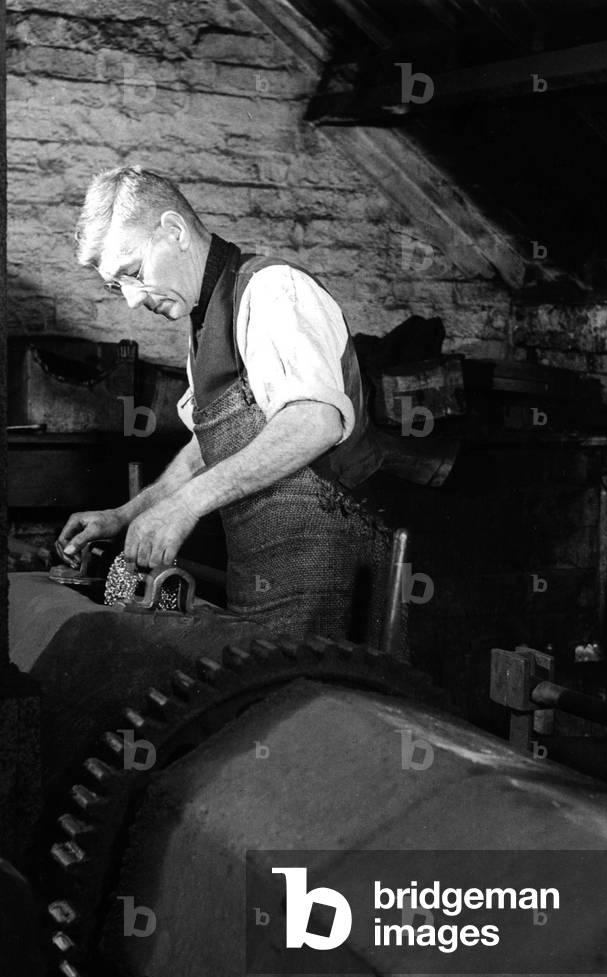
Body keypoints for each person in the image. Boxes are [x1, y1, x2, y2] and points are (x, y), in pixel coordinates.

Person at [57, 166, 392, 644]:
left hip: (331, 565)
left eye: (133, 274)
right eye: (116, 287)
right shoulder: (203, 323)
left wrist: (186, 507)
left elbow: (315, 421)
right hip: (264, 573)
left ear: (173, 231)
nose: (131, 300)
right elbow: (206, 447)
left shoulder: (272, 289)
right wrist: (126, 514)